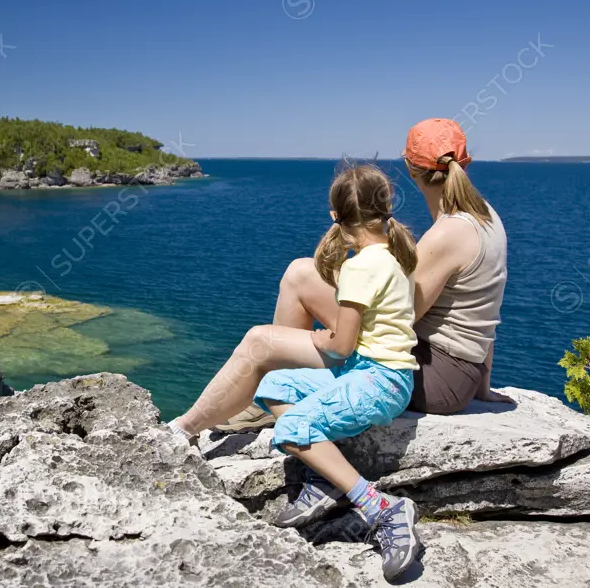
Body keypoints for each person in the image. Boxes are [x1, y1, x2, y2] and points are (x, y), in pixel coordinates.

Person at [218, 118, 510, 529]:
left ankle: (282, 402)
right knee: (306, 276)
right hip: (462, 372)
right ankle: (289, 397)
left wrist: (352, 293)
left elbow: (403, 315)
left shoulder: (447, 233)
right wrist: (481, 383)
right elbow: (486, 307)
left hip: (437, 377)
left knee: (300, 277)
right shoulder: (487, 217)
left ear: (411, 169)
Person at [167, 164, 423, 582]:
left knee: (292, 430)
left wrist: (323, 340)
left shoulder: (360, 267)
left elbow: (341, 345)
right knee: (274, 383)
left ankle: (382, 508)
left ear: (335, 217)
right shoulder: (398, 254)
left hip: (378, 380)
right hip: (378, 373)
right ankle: (325, 474)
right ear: (384, 209)